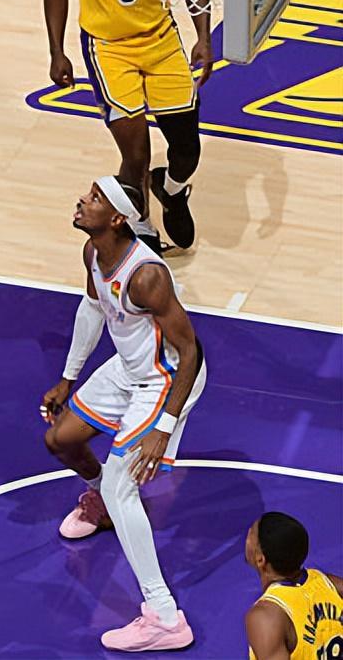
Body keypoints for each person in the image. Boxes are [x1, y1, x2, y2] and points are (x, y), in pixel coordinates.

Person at [41, 175, 207, 651]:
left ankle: (165, 617)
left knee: (122, 485)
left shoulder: (146, 275)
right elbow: (93, 309)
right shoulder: (93, 253)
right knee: (60, 439)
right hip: (129, 369)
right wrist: (68, 378)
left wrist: (163, 427)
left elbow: (190, 352)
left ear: (117, 218)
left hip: (166, 379)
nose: (81, 199)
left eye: (94, 198)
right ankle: (104, 504)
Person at [42, 0, 212, 252]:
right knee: (136, 153)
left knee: (187, 149)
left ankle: (171, 188)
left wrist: (204, 38)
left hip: (161, 40)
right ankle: (143, 232)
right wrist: (57, 51)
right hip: (109, 49)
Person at [244, 512, 343, 660]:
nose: (247, 536)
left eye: (251, 534)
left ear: (260, 559)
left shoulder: (266, 617)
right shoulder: (332, 585)